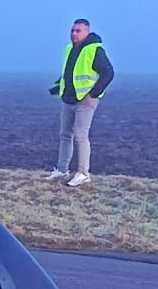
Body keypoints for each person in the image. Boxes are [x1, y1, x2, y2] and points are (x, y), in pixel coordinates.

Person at [47, 19, 114, 187]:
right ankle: (62, 170)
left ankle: (83, 173)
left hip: (85, 100)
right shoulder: (70, 49)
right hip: (68, 98)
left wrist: (93, 94)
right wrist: (59, 86)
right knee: (65, 135)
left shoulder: (94, 50)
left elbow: (108, 73)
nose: (74, 34)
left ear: (87, 32)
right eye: (72, 30)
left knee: (80, 136)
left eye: (78, 31)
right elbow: (70, 72)